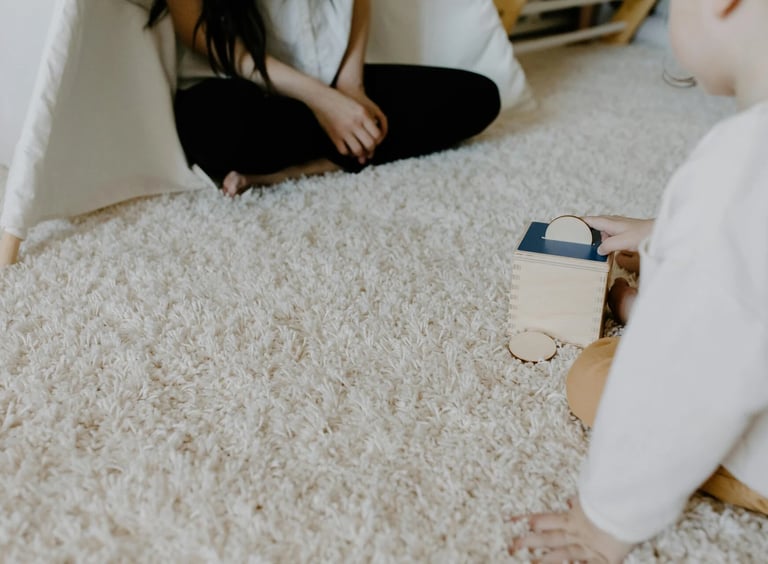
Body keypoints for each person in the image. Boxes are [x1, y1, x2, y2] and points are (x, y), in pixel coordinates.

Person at [509, 0, 768, 561]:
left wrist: (608, 522)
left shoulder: (736, 168)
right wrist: (668, 230)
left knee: (598, 374)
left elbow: (684, 379)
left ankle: (638, 308)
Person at [147, 0, 501, 196]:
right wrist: (321, 101)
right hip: (241, 81)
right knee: (217, 126)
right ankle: (334, 146)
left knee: (478, 98)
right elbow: (202, 36)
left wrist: (351, 88)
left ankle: (298, 168)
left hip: (327, 72)